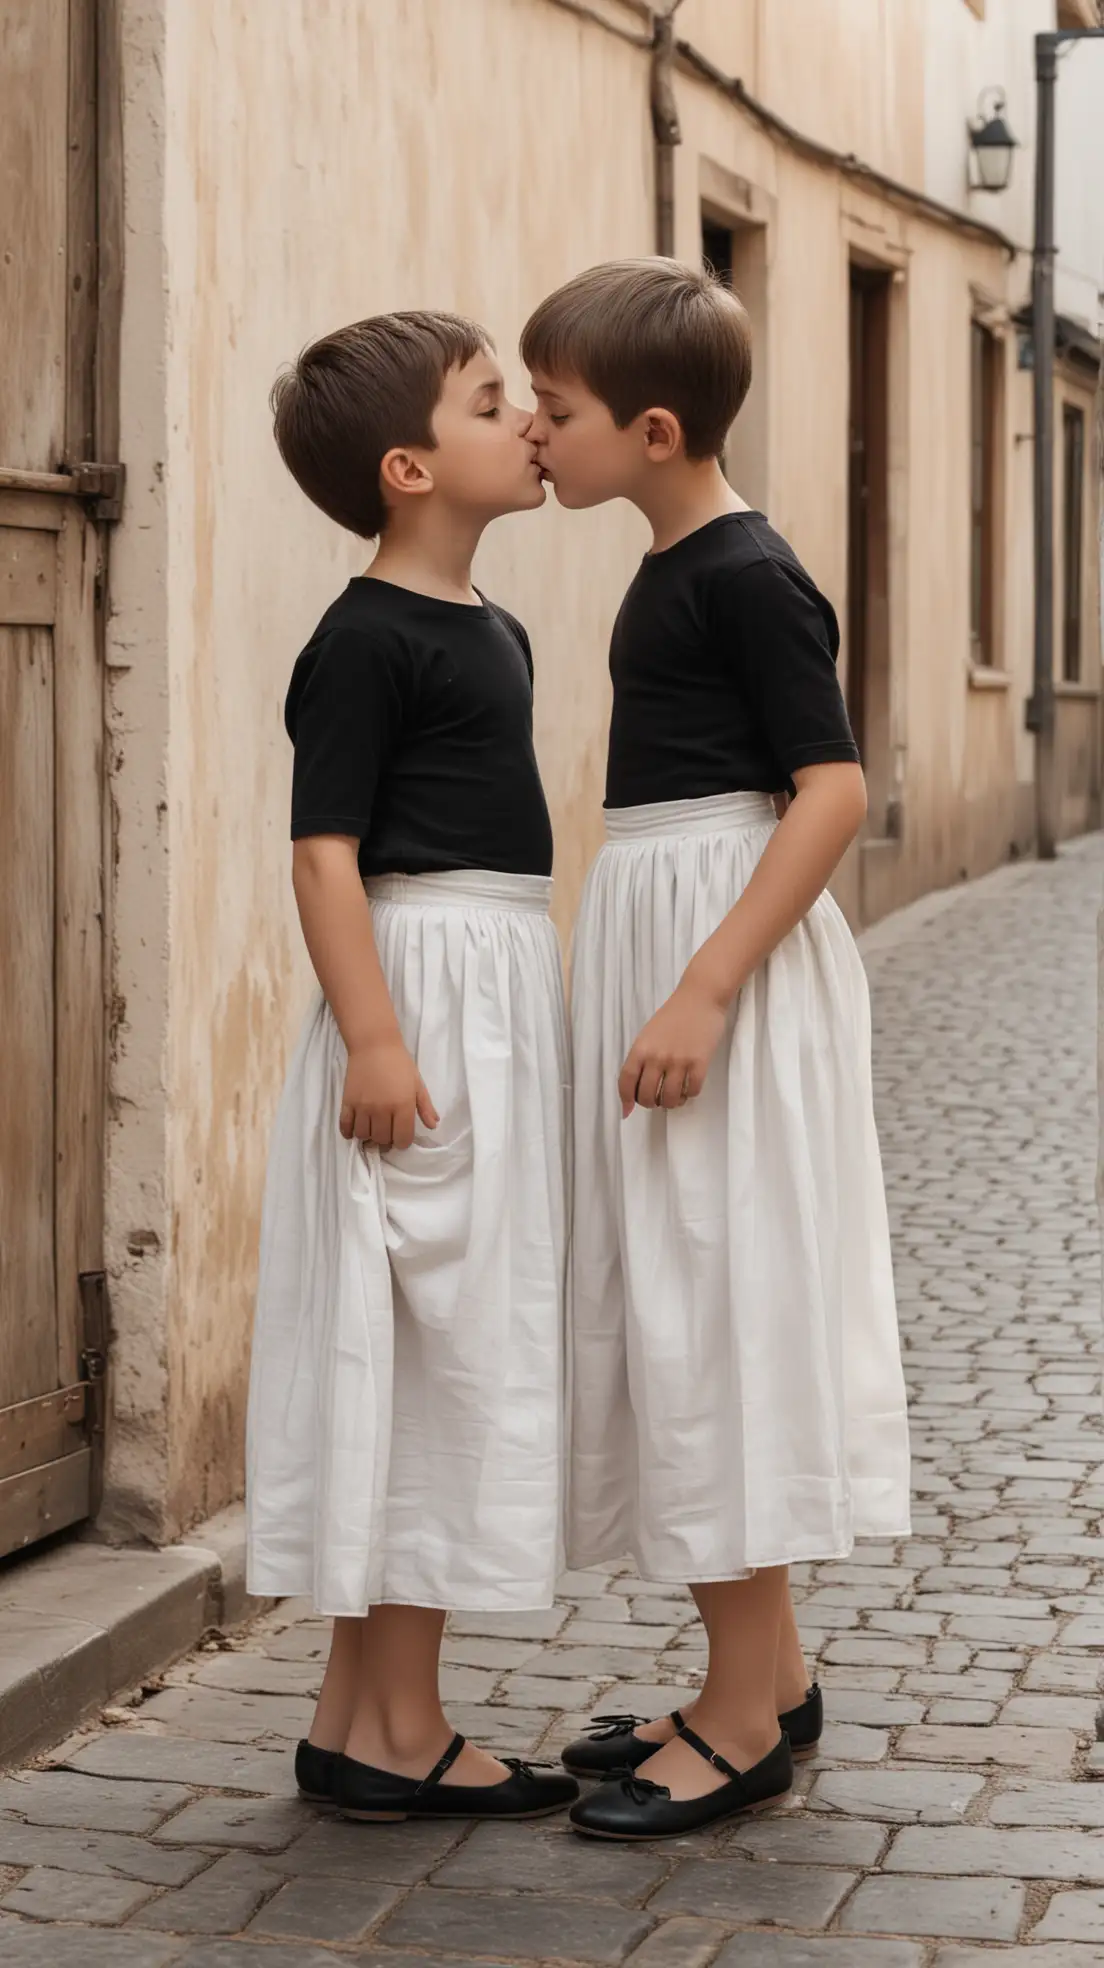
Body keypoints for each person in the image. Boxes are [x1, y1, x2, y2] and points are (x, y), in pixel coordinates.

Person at [521, 259, 911, 1840]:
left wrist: (701, 990)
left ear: (657, 428)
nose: (537, 435)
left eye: (557, 412)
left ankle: (745, 1721)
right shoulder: (675, 555)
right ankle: (768, 1675)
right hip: (671, 930)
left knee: (712, 1319)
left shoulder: (744, 574)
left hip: (718, 973)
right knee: (675, 1304)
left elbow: (832, 791)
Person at [246, 311, 577, 1824]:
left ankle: (355, 1717)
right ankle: (398, 1725)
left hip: (488, 986)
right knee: (425, 1354)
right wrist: (376, 1034)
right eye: (491, 400)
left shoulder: (494, 628)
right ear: (406, 467)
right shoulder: (366, 637)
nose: (528, 419)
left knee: (445, 1354)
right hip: (424, 1002)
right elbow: (324, 854)